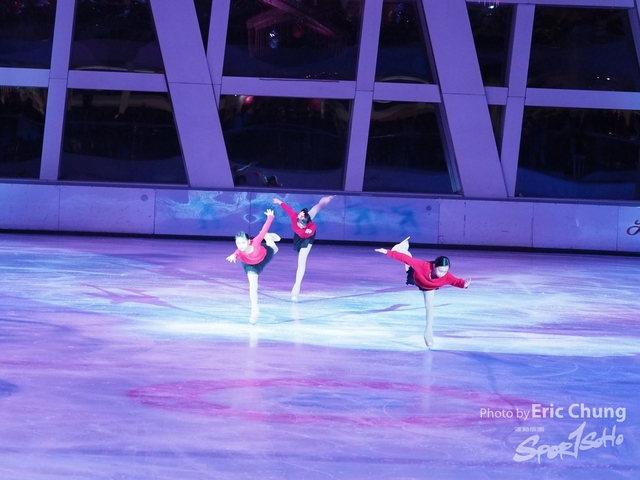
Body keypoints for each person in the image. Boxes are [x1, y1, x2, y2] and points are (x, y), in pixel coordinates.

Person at [375, 237, 470, 348]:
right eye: (440, 270)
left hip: (428, 286)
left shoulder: (446, 276)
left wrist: (464, 284)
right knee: (408, 263)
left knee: (429, 306)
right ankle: (403, 248)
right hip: (416, 276)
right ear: (434, 266)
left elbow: (456, 281)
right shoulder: (423, 265)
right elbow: (404, 259)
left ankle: (428, 332)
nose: (442, 274)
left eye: (445, 271)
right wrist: (387, 252)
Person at [273, 195, 335, 301]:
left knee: (301, 261)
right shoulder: (295, 217)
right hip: (299, 236)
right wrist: (279, 201)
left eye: (303, 225)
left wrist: (309, 231)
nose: (301, 226)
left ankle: (297, 286)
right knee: (315, 209)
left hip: (308, 238)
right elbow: (288, 209)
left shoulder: (311, 226)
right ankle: (325, 200)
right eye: (300, 224)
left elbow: (312, 229)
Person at [226, 209, 281, 324]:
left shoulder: (255, 242)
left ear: (248, 241)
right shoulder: (239, 251)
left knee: (275, 249)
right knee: (253, 285)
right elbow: (236, 253)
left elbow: (264, 229)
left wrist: (270, 217)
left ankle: (269, 238)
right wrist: (233, 256)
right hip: (250, 265)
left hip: (264, 256)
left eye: (243, 243)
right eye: (238, 243)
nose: (241, 245)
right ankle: (254, 309)